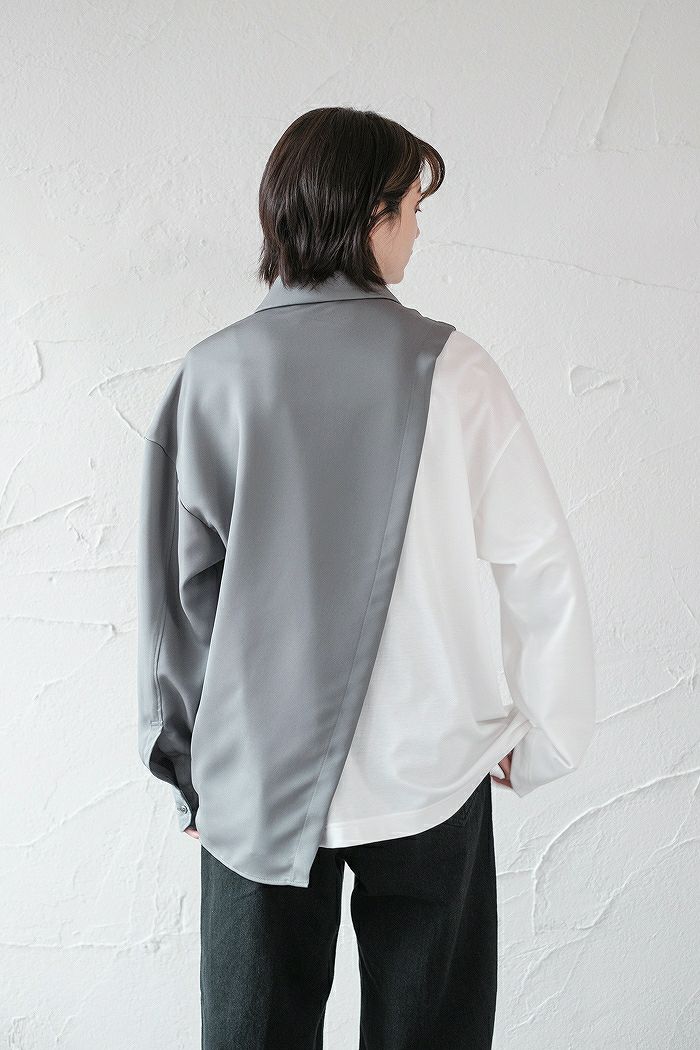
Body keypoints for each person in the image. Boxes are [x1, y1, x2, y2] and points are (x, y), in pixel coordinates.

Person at [136, 106, 596, 1050]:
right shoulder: (455, 368)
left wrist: (184, 767)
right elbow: (539, 566)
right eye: (412, 208)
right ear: (368, 214)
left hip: (256, 780)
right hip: (431, 771)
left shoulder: (212, 374)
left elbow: (177, 600)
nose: (418, 231)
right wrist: (546, 735)